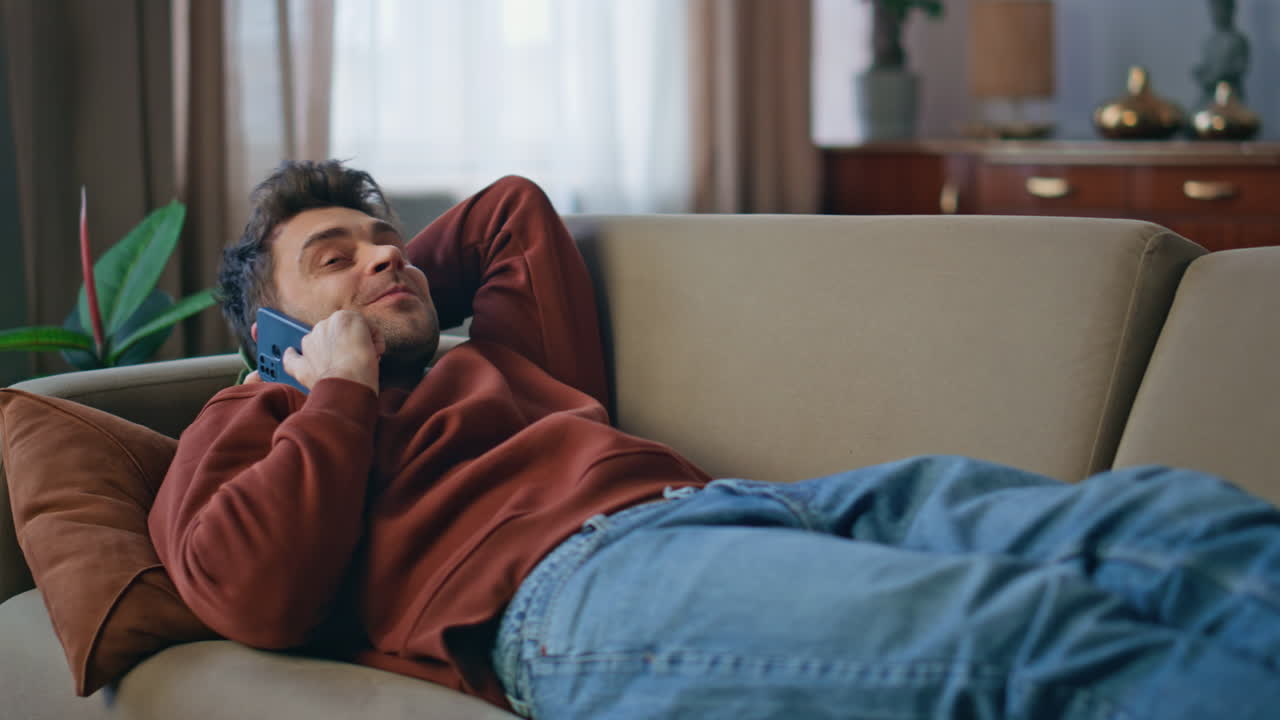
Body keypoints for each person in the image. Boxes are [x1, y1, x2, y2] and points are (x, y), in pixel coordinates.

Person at [150, 160, 1280, 720]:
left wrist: (386, 299)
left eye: (388, 239)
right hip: (567, 594)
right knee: (1038, 636)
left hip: (738, 505)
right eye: (335, 255)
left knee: (1164, 528)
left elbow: (508, 210)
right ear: (267, 327)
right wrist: (329, 381)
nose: (384, 256)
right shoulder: (250, 419)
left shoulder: (500, 364)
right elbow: (250, 592)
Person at [1193, 0, 1250, 103]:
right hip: (1209, 94)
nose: (1218, 14)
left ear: (1230, 11)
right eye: (1215, 10)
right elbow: (1206, 66)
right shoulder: (1210, 41)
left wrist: (1219, 76)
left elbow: (1240, 68)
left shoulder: (1238, 40)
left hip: (1230, 95)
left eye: (1221, 9)